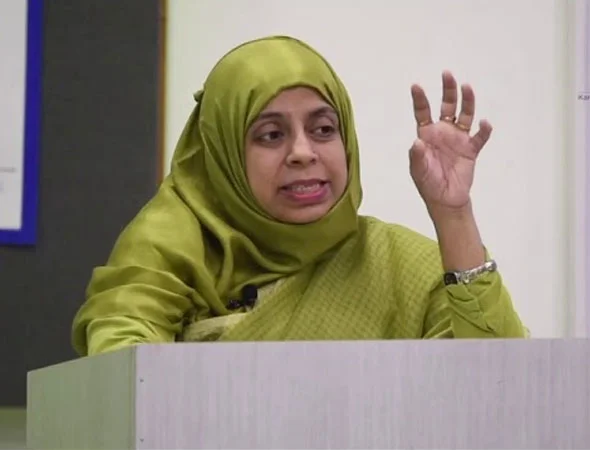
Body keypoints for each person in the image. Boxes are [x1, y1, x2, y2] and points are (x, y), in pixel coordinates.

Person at [71, 35, 527, 356]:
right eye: (271, 135)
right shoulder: (166, 254)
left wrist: (453, 215)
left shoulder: (401, 266)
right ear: (222, 154)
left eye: (323, 129)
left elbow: (503, 388)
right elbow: (123, 381)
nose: (303, 152)